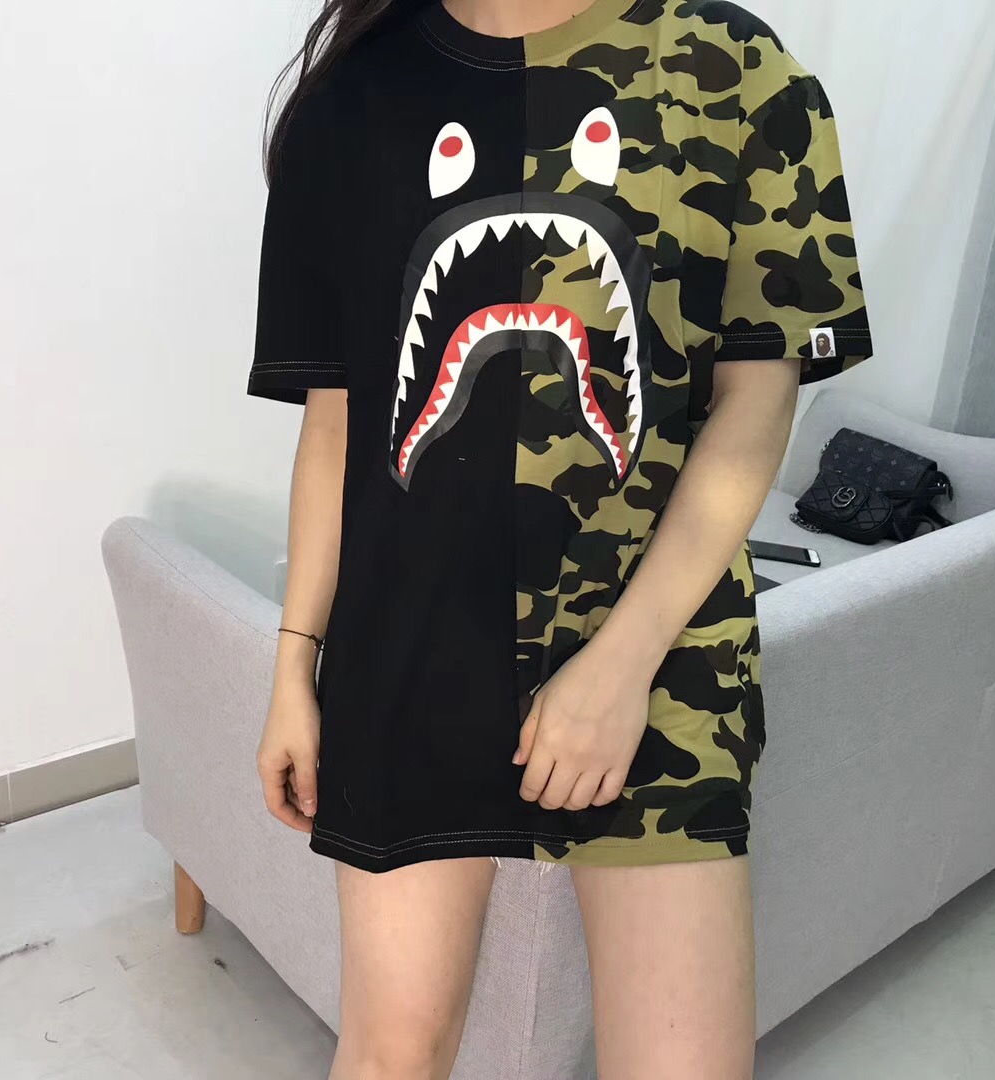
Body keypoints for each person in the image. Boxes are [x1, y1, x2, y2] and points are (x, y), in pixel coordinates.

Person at [245, 1, 874, 1077]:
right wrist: (295, 664)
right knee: (391, 1051)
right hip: (407, 648)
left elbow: (756, 404)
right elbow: (337, 426)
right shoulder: (350, 101)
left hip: (666, 654)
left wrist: (619, 666)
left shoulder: (740, 72)